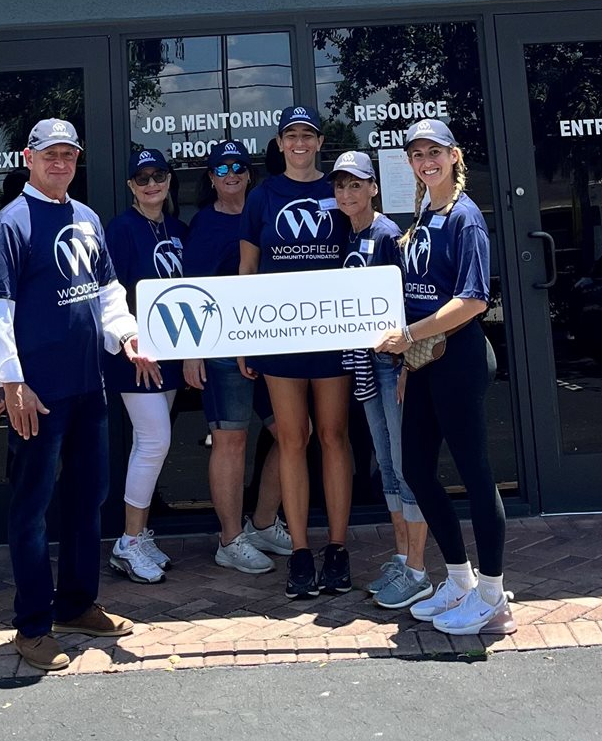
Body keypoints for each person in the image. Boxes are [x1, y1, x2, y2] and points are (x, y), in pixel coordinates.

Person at [0, 118, 158, 673]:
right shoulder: (10, 225)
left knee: (88, 498)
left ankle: (76, 605)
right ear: (28, 158)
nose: (60, 164)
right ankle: (32, 626)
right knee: (31, 509)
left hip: (87, 387)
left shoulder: (86, 218)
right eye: (50, 155)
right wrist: (12, 382)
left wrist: (126, 336)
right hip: (38, 394)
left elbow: (107, 291)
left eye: (69, 155)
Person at [376, 118, 513, 639]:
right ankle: (459, 579)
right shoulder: (424, 214)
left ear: (454, 155)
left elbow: (473, 300)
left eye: (434, 152)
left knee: (476, 475)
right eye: (417, 154)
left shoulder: (465, 217)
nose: (426, 161)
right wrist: (409, 360)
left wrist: (408, 337)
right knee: (415, 468)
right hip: (425, 362)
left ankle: (494, 597)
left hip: (459, 359)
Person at [240, 104, 352, 601]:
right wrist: (244, 337)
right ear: (280, 143)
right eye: (291, 136)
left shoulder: (338, 190)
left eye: (308, 135)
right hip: (279, 335)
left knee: (333, 436)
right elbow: (248, 271)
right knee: (291, 439)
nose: (300, 143)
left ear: (320, 142)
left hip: (332, 333)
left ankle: (338, 549)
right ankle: (302, 552)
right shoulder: (262, 197)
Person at [330, 151, 432, 611]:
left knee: (405, 461)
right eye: (341, 185)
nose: (348, 193)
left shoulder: (388, 234)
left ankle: (418, 569)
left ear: (374, 188)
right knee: (386, 463)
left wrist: (408, 365)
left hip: (392, 365)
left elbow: (408, 302)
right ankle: (402, 555)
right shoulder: (348, 235)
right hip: (365, 363)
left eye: (357, 184)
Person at [181, 140, 289, 574]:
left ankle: (261, 522)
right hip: (221, 347)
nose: (231, 174)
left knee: (293, 433)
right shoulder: (203, 225)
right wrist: (192, 352)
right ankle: (229, 539)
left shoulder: (263, 213)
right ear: (210, 177)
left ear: (249, 173)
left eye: (238, 167)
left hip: (268, 343)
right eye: (222, 168)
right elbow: (189, 292)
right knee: (231, 440)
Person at [103, 149, 189, 585]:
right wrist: (129, 343)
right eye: (142, 178)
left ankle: (139, 534)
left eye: (159, 176)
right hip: (134, 354)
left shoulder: (177, 228)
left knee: (149, 442)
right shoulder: (120, 230)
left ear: (169, 180)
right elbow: (110, 293)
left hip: (171, 351)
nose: (151, 184)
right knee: (155, 441)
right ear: (130, 187)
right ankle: (129, 541)